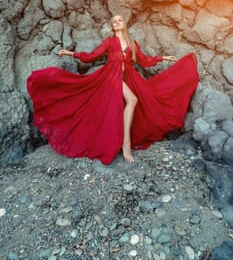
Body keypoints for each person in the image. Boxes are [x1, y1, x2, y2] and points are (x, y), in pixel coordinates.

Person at [27, 15, 199, 165]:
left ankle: (125, 142)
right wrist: (72, 54)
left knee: (140, 101)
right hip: (111, 76)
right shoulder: (110, 41)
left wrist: (163, 57)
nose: (117, 22)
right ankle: (126, 144)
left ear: (124, 23)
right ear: (112, 26)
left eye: (119, 20)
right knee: (132, 100)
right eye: (114, 21)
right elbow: (92, 55)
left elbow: (144, 61)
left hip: (130, 77)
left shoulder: (132, 43)